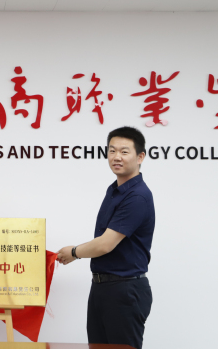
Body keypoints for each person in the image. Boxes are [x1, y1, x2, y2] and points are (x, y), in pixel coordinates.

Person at [57, 126, 154, 349]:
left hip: (124, 290)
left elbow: (105, 244)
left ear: (140, 157)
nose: (116, 157)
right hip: (102, 288)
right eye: (112, 150)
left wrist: (74, 252)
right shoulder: (115, 190)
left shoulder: (137, 196)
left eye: (124, 151)